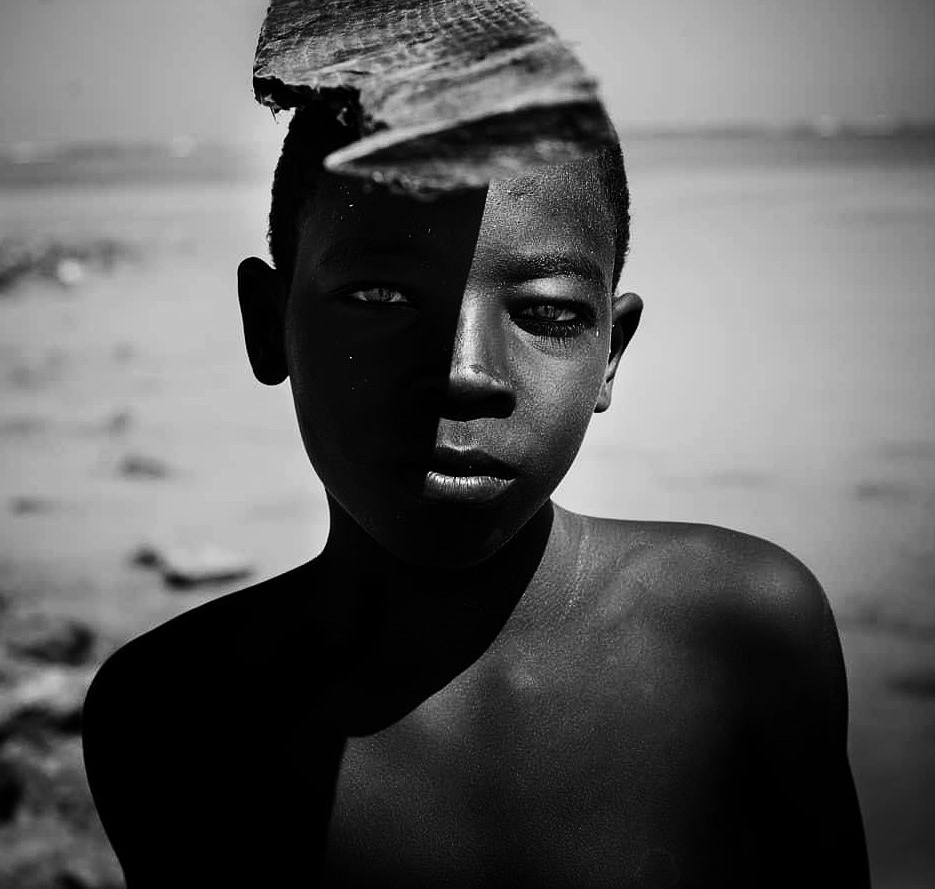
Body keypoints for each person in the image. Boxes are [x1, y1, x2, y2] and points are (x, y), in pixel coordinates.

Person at [82, 105, 869, 888]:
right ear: (268, 322)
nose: (465, 371)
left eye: (547, 313)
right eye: (380, 297)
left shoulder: (741, 630)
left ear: (610, 352)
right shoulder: (174, 716)